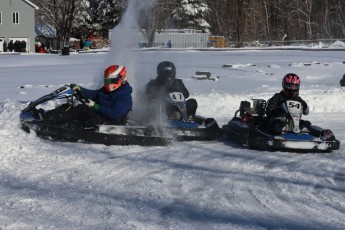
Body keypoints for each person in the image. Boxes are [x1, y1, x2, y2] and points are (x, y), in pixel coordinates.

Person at [32, 65, 133, 128]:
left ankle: (53, 123)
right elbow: (94, 94)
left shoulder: (125, 96)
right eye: (106, 81)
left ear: (121, 79)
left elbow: (115, 114)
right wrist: (79, 89)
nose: (108, 84)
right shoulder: (106, 91)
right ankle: (47, 115)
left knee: (82, 108)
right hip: (98, 115)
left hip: (109, 121)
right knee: (69, 105)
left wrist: (95, 106)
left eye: (111, 81)